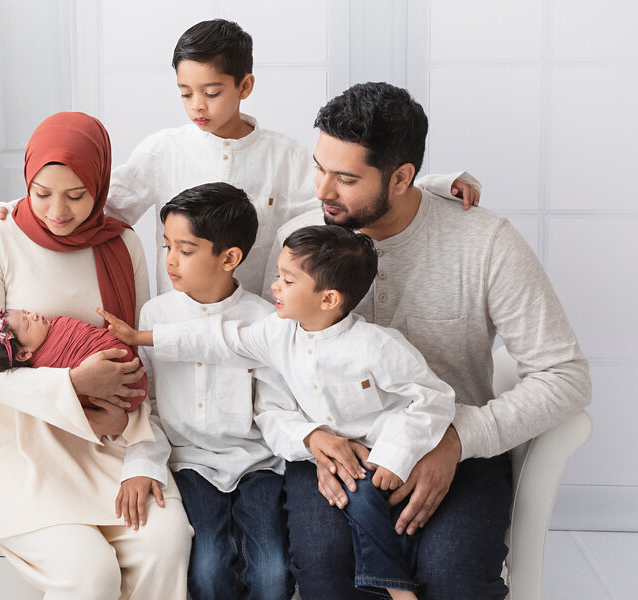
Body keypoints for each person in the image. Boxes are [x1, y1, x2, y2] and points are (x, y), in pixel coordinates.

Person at [263, 82, 592, 599]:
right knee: (328, 573)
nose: (323, 191)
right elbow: (269, 365)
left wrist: (459, 439)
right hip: (338, 448)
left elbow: (565, 375)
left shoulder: (485, 243)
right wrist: (308, 438)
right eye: (320, 167)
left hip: (452, 446)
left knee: (451, 579)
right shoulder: (302, 240)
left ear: (401, 177)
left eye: (346, 178)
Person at [0, 18, 479, 298]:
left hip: (256, 324)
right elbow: (95, 204)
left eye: (211, 91)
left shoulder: (285, 155)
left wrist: (432, 184)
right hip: (180, 321)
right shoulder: (163, 150)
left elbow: (349, 193)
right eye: (185, 93)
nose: (197, 107)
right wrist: (11, 212)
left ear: (245, 85)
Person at [105, 224, 457, 599]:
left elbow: (434, 398)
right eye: (278, 275)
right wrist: (144, 338)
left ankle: (396, 587)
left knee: (365, 498)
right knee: (355, 497)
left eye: (287, 280)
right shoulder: (277, 332)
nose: (274, 286)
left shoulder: (377, 347)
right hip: (329, 454)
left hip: (379, 448)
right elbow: (219, 339)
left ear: (328, 299)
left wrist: (395, 457)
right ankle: (393, 583)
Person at [0, 111, 192, 600]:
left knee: (165, 543)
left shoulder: (122, 245)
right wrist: (74, 384)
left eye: (76, 195)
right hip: (19, 444)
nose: (57, 211)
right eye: (41, 194)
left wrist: (141, 455)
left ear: (100, 185)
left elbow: (139, 360)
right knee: (89, 574)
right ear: (26, 181)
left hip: (106, 439)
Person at [113, 182, 295, 600]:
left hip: (258, 465)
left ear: (229, 258)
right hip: (189, 463)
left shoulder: (263, 320)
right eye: (167, 246)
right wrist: (142, 463)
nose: (171, 261)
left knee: (274, 572)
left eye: (186, 250)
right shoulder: (155, 314)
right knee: (207, 568)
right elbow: (149, 405)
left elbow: (274, 407)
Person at [0, 306, 147, 411]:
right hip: (125, 388)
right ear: (23, 354)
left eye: (27, 312)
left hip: (131, 364)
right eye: (28, 323)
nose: (34, 315)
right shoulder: (46, 372)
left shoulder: (57, 325)